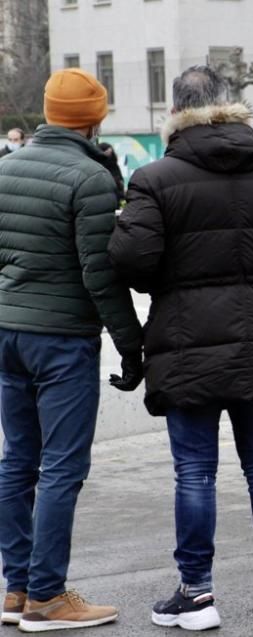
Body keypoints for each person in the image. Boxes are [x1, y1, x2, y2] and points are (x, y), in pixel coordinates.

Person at [108, 65, 253, 630]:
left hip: (185, 340)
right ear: (230, 106)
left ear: (174, 112)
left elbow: (130, 260)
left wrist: (170, 275)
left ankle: (197, 593)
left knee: (195, 470)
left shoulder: (154, 178)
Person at [0, 69, 143, 632]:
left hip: (8, 332)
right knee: (61, 468)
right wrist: (132, 349)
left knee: (17, 461)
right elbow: (101, 276)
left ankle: (15, 589)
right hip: (61, 340)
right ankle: (48, 597)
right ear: (95, 117)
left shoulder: (6, 168)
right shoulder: (89, 178)